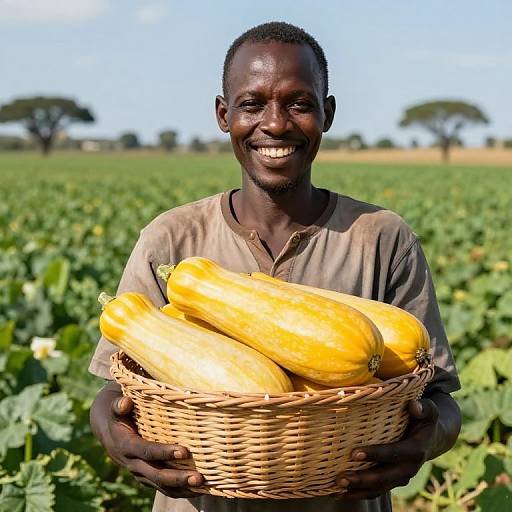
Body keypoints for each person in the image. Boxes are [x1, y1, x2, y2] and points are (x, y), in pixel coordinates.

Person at [89, 21, 461, 512]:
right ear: (224, 115)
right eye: (251, 103)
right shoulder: (171, 238)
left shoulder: (382, 237)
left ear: (326, 113)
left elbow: (440, 398)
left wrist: (426, 440)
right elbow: (115, 389)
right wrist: (117, 439)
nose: (276, 123)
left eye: (299, 103)